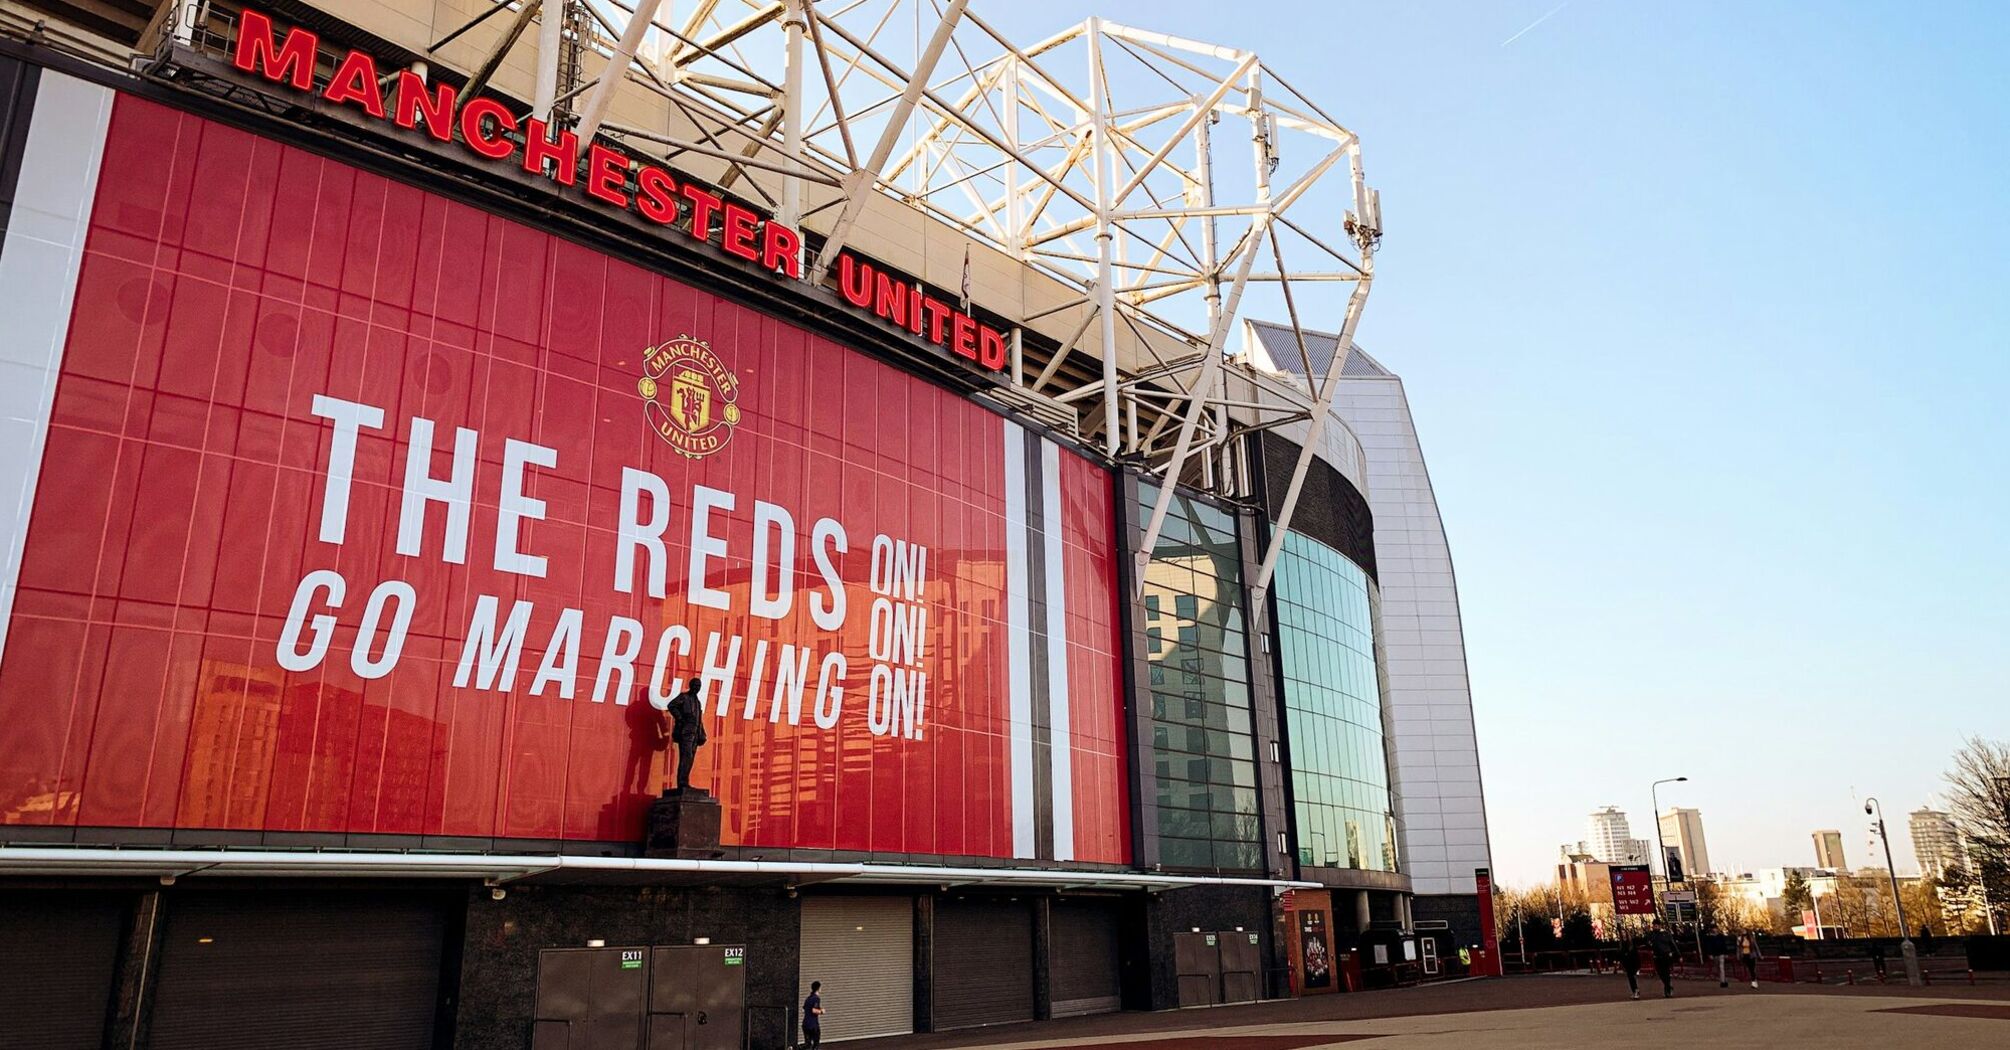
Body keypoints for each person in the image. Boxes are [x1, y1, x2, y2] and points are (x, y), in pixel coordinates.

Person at [668, 680, 707, 793]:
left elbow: (699, 720)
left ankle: (685, 781)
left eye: (699, 686)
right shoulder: (684, 697)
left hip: (695, 732)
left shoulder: (697, 702)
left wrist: (702, 733)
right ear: (691, 686)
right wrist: (680, 718)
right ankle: (682, 783)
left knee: (690, 758)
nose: (697, 688)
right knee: (686, 756)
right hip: (686, 731)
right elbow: (671, 705)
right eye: (695, 686)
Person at [1647, 919, 1677, 998]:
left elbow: (1672, 944)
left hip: (1666, 955)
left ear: (1660, 926)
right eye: (1654, 925)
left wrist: (1677, 954)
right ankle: (1668, 986)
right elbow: (1648, 943)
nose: (1655, 927)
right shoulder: (1651, 935)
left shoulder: (1665, 934)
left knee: (1666, 973)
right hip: (1657, 956)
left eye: (1657, 925)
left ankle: (1667, 989)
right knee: (1660, 973)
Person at [1618, 933, 1643, 1000]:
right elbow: (1621, 954)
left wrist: (1638, 965)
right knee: (1630, 978)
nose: (1623, 935)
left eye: (1624, 934)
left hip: (1633, 963)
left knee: (1632, 978)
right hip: (1627, 963)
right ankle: (1634, 991)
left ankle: (1636, 991)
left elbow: (1635, 954)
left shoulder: (1631, 944)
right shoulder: (1621, 944)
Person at [801, 980, 824, 1049]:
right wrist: (821, 1011)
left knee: (808, 1044)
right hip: (813, 1025)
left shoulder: (808, 998)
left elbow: (803, 1010)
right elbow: (814, 1010)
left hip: (805, 1024)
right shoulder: (816, 998)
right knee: (816, 1043)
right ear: (818, 988)